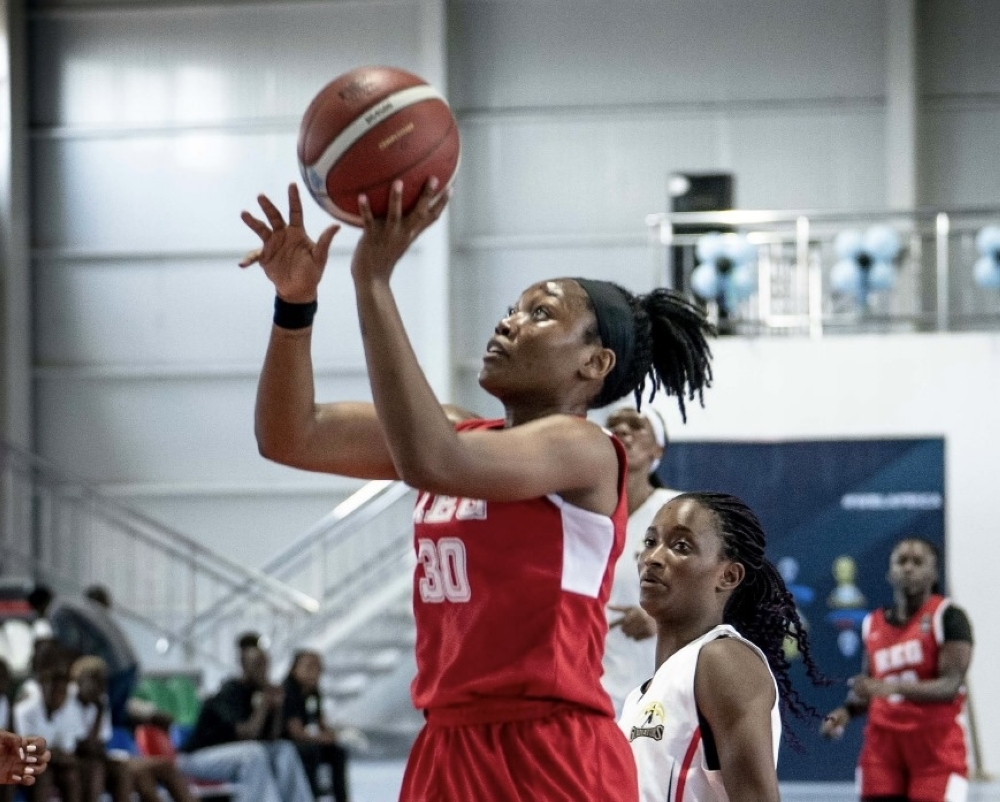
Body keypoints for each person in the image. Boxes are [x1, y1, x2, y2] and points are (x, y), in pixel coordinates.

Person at [239, 178, 714, 800]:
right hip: (447, 742)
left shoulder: (585, 450)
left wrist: (374, 284)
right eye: (513, 310)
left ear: (594, 364)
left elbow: (435, 460)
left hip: (548, 749)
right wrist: (295, 306)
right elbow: (289, 435)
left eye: (540, 314)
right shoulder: (459, 431)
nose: (510, 323)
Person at [618, 492, 825, 802]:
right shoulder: (637, 697)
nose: (653, 557)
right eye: (650, 542)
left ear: (728, 575)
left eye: (681, 546)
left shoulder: (723, 660)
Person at [821, 537, 974, 802]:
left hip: (934, 745)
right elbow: (869, 688)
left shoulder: (948, 617)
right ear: (890, 572)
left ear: (933, 572)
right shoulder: (873, 624)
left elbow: (950, 686)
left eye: (918, 561)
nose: (908, 568)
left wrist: (891, 687)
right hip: (883, 745)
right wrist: (844, 712)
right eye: (901, 561)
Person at [602, 404, 682, 715]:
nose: (622, 432)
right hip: (592, 691)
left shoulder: (677, 510)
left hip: (654, 693)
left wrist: (660, 619)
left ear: (657, 449)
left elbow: (714, 593)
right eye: (613, 425)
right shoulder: (582, 512)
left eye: (635, 426)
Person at [176, 643, 311, 802]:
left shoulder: (258, 692)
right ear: (245, 666)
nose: (264, 669)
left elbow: (272, 738)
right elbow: (248, 734)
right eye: (258, 664)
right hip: (195, 758)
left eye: (266, 663)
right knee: (253, 753)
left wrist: (278, 709)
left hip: (233, 755)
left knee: (284, 748)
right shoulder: (229, 692)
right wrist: (263, 706)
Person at [70, 656, 195, 802]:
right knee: (137, 776)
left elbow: (100, 744)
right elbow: (87, 748)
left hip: (106, 756)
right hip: (85, 761)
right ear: (77, 680)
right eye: (94, 679)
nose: (100, 685)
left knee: (165, 767)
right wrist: (98, 712)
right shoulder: (69, 702)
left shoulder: (101, 700)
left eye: (103, 680)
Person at [282, 650, 350, 802]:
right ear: (294, 669)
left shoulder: (313, 691)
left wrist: (330, 735)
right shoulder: (288, 690)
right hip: (285, 742)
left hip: (305, 740)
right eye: (309, 667)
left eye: (318, 668)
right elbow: (295, 731)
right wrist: (321, 738)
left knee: (338, 752)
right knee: (311, 752)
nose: (314, 672)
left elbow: (320, 721)